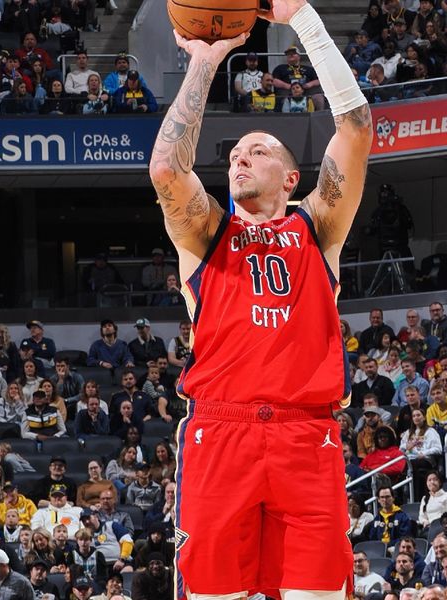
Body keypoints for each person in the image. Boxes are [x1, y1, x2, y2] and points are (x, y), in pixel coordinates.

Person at [149, 2, 372, 598]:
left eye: (258, 151)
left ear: (291, 176)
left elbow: (355, 126)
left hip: (308, 437)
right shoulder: (205, 234)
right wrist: (203, 60)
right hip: (221, 435)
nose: (239, 159)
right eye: (233, 156)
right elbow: (168, 167)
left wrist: (303, 18)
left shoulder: (318, 228)